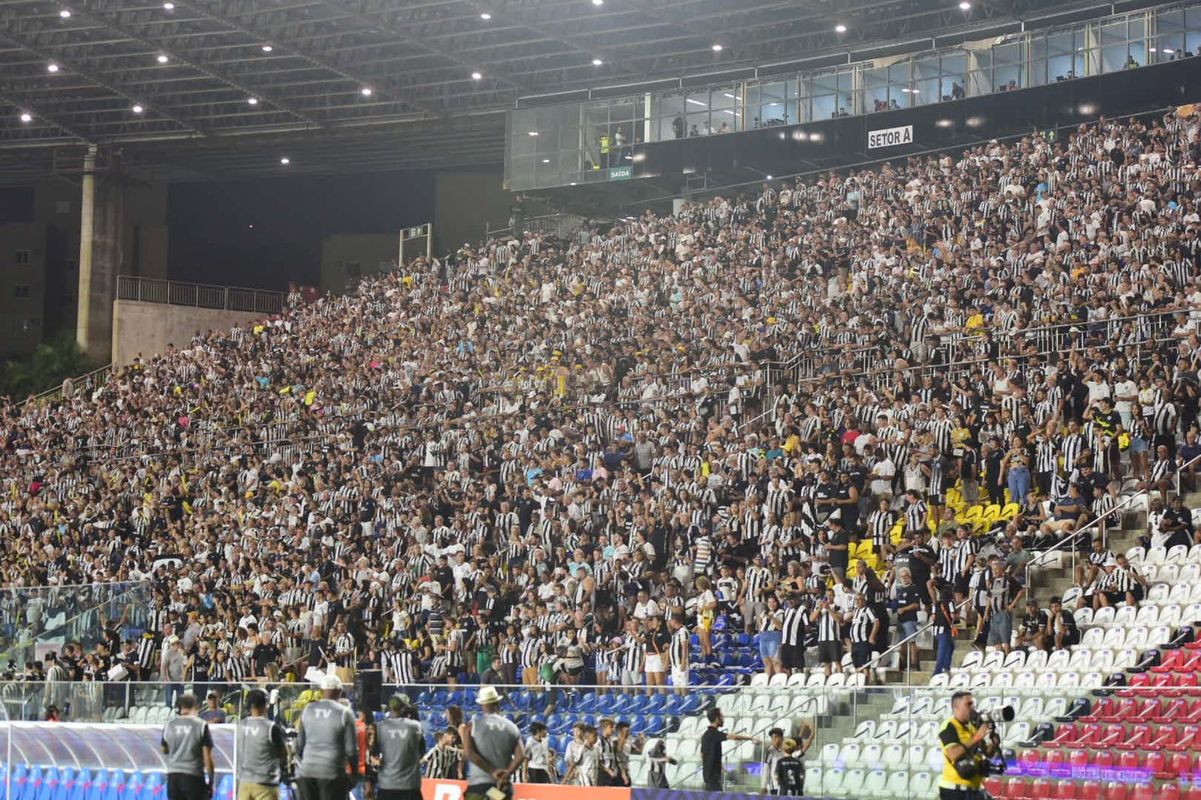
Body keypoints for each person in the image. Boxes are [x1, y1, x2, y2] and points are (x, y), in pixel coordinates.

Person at [296, 674, 360, 800]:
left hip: (307, 772)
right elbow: (351, 750)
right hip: (332, 773)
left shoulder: (308, 709)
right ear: (339, 692)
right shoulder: (344, 713)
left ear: (321, 691)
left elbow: (299, 746)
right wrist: (354, 775)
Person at [461, 686, 524, 800]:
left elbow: (469, 753)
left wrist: (492, 771)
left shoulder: (472, 726)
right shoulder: (512, 727)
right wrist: (506, 774)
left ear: (482, 705)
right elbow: (521, 756)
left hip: (479, 788)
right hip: (501, 788)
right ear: (498, 703)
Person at [938, 691, 999, 800]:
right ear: (956, 707)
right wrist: (977, 737)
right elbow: (953, 753)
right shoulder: (949, 726)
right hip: (955, 791)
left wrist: (994, 744)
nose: (973, 707)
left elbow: (987, 752)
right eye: (968, 704)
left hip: (975, 789)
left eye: (973, 704)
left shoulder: (973, 726)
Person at [160, 694, 215, 800]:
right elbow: (207, 757)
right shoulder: (200, 725)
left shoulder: (169, 725)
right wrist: (211, 782)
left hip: (173, 778)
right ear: (194, 707)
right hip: (193, 777)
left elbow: (164, 749)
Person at [236, 689, 288, 800]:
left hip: (244, 782)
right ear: (265, 704)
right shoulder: (271, 727)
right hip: (266, 784)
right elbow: (283, 753)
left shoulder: (239, 726)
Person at [374, 695, 424, 800]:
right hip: (409, 786)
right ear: (405, 709)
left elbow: (374, 753)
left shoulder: (380, 727)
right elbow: (421, 750)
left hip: (386, 785)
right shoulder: (415, 726)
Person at [700, 708, 759, 792]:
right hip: (713, 777)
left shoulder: (705, 735)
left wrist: (717, 765)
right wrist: (750, 738)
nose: (723, 719)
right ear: (717, 718)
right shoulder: (714, 734)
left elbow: (702, 754)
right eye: (722, 716)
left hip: (707, 775)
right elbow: (733, 736)